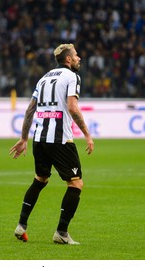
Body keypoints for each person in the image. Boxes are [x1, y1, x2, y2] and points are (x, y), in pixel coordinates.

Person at [9, 43, 94, 245]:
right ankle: (62, 233)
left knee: (40, 179)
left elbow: (30, 110)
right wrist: (87, 134)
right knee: (76, 183)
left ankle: (21, 226)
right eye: (76, 55)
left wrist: (24, 138)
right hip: (60, 139)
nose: (79, 58)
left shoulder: (44, 78)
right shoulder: (72, 77)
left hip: (40, 139)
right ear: (68, 60)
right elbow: (73, 108)